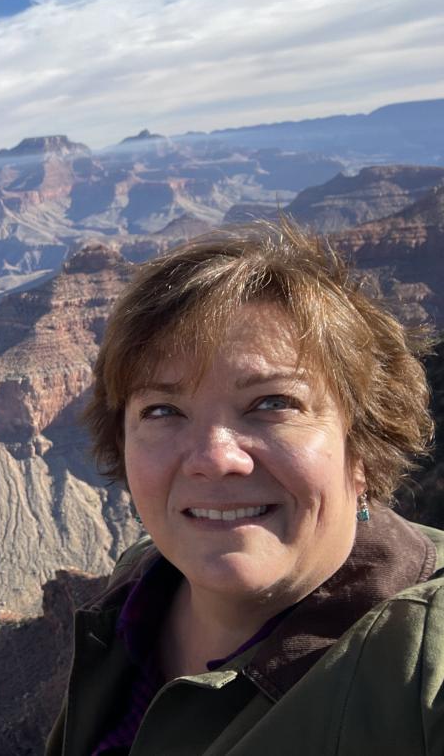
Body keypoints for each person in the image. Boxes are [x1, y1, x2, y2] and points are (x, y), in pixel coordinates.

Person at [47, 220, 444, 755]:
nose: (214, 459)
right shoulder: (138, 585)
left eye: (273, 403)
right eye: (163, 410)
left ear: (363, 443)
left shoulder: (423, 662)